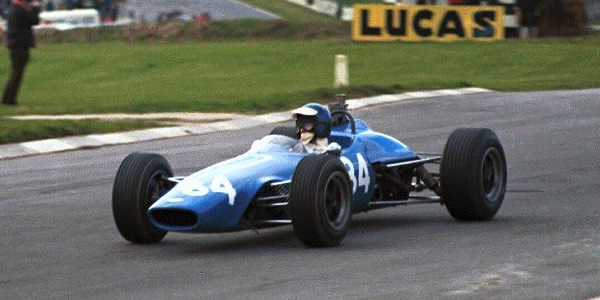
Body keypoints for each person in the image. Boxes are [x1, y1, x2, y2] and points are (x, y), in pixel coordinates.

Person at [2, 0, 40, 106]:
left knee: (15, 72)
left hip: (15, 45)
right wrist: (35, 9)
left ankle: (7, 97)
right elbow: (34, 20)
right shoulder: (19, 11)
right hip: (20, 46)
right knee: (17, 73)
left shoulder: (13, 10)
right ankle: (10, 99)